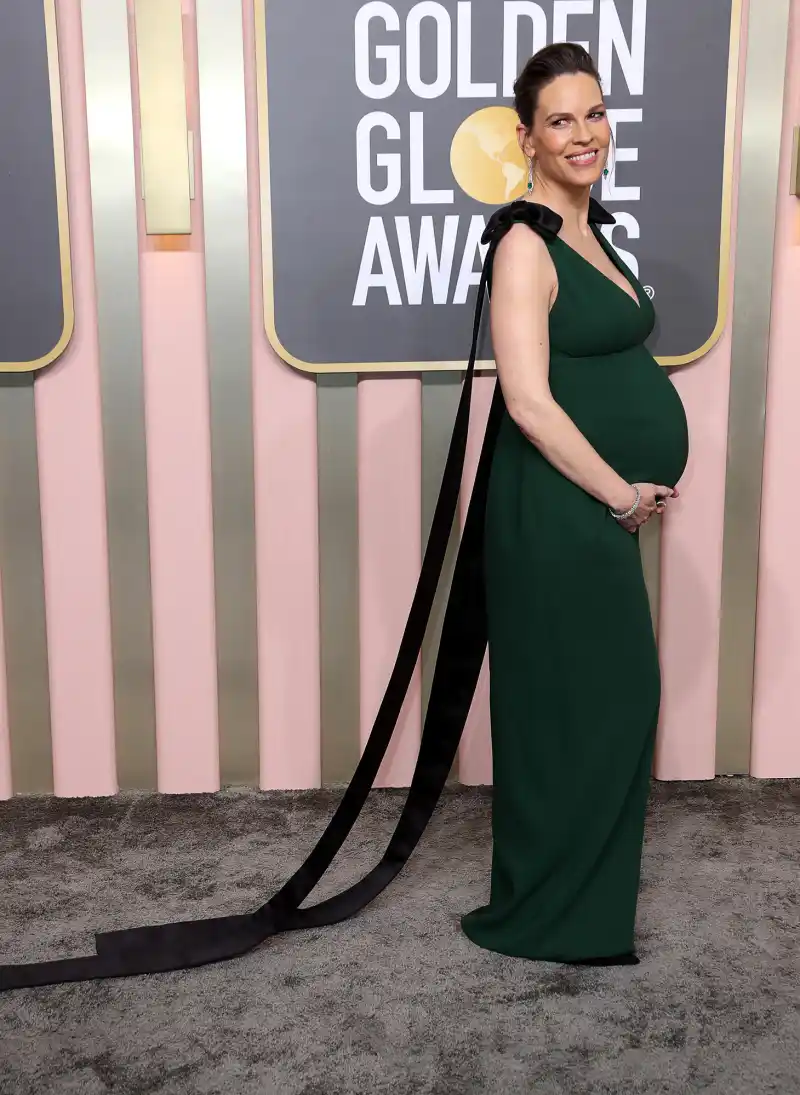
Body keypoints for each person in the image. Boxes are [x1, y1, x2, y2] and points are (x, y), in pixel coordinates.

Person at [0, 43, 688, 992]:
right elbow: (526, 401)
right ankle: (553, 911)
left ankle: (578, 901)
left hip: (599, 508)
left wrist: (638, 479)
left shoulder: (596, 234)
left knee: (609, 702)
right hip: (562, 511)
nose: (585, 135)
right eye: (561, 120)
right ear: (524, 139)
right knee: (581, 705)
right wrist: (619, 489)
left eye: (596, 114)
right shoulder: (525, 244)